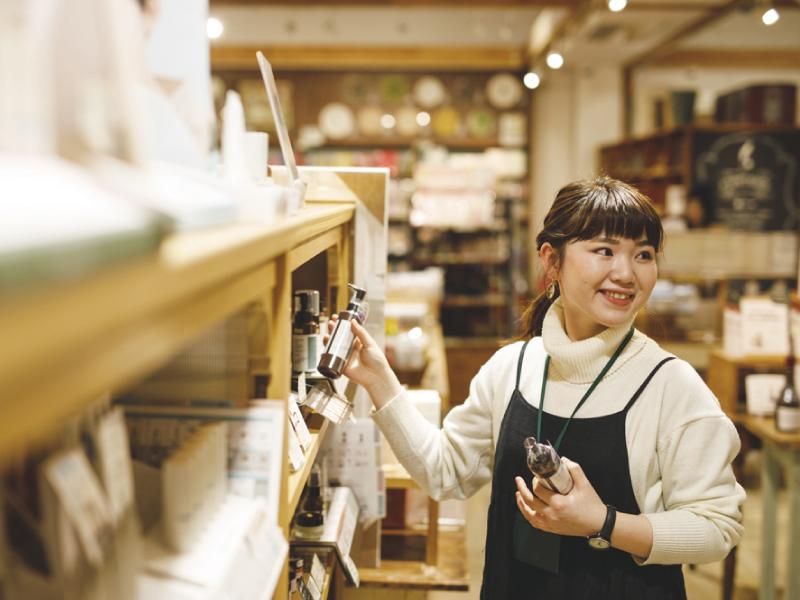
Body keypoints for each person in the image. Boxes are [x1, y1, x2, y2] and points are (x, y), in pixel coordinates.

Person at [339, 176, 745, 599]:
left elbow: (717, 526)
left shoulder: (671, 385)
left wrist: (603, 522)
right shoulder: (512, 368)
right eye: (604, 251)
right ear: (552, 261)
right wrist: (379, 380)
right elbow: (445, 472)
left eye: (643, 255)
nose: (626, 273)